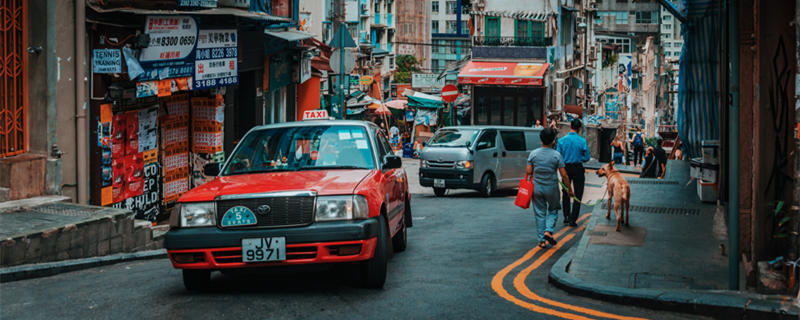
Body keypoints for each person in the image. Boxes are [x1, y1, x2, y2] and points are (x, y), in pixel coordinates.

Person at [526, 127, 574, 248]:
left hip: (536, 188)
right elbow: (564, 175)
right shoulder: (556, 155)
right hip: (551, 188)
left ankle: (541, 240)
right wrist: (569, 189)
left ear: (541, 140)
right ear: (553, 141)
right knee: (553, 210)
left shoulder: (533, 154)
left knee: (539, 213)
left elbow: (529, 171)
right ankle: (548, 230)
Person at [556, 119, 592, 226]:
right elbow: (587, 157)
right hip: (578, 168)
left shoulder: (561, 141)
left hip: (565, 168)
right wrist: (579, 157)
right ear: (579, 128)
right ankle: (573, 219)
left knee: (566, 192)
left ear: (570, 126)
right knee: (578, 193)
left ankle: (566, 216)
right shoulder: (582, 141)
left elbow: (558, 156)